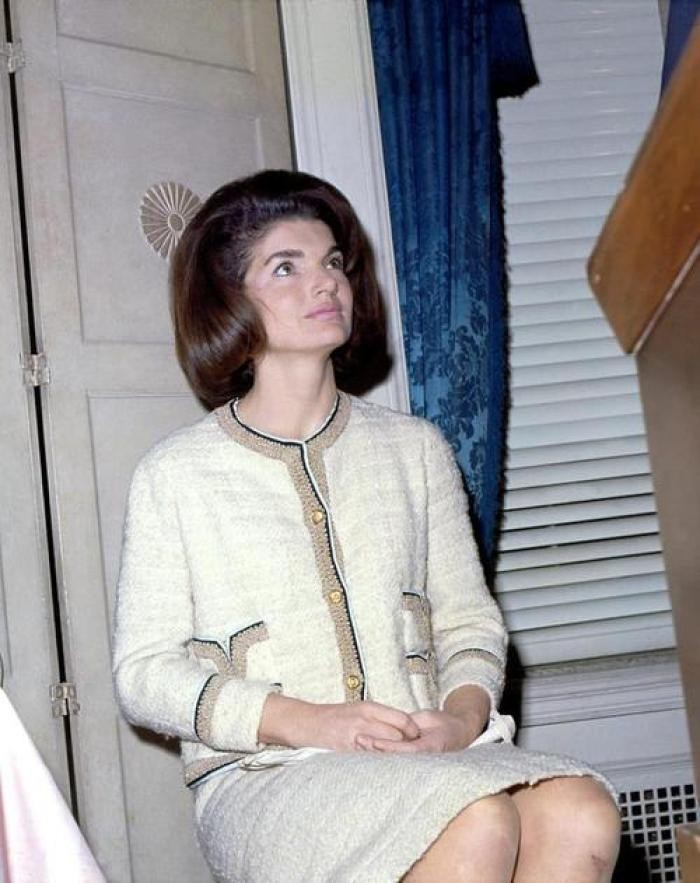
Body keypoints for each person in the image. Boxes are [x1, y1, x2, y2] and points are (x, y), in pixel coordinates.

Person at [113, 169, 621, 882]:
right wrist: (308, 719)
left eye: (333, 262)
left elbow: (469, 624)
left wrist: (460, 719)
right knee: (475, 818)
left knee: (580, 811)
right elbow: (143, 675)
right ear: (230, 299)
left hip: (428, 756)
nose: (325, 282)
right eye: (286, 267)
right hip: (267, 773)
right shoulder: (175, 475)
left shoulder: (416, 450)